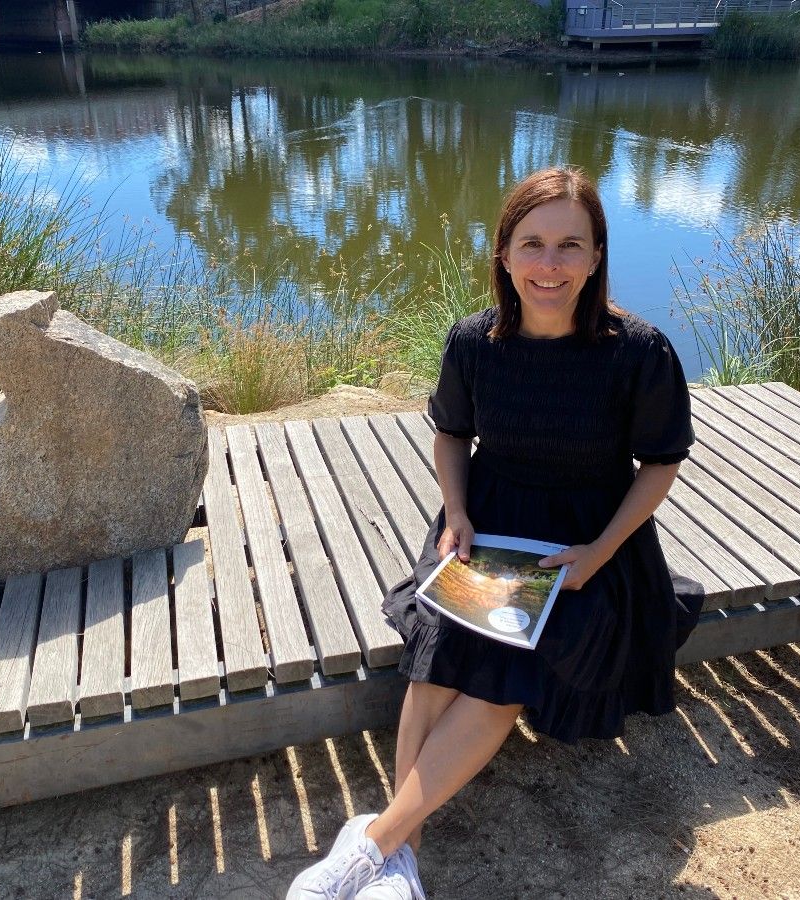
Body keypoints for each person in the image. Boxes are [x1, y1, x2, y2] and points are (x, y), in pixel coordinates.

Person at [286, 167, 704, 900]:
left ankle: (370, 848)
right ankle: (401, 860)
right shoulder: (474, 342)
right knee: (442, 650)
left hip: (587, 541)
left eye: (570, 246)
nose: (550, 265)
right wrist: (456, 513)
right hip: (489, 518)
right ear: (504, 253)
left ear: (598, 255)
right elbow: (451, 435)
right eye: (532, 244)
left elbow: (660, 464)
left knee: (508, 668)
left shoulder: (639, 351)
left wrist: (598, 554)